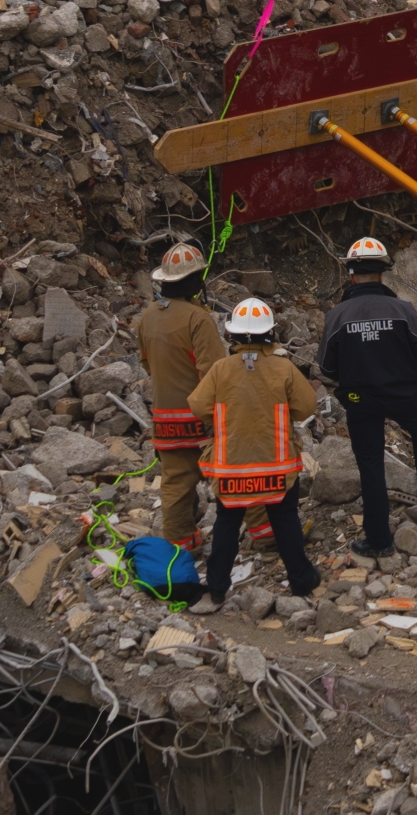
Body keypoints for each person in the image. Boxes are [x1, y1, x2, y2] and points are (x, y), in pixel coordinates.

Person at [316, 237, 417, 558]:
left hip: (359, 400)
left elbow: (326, 366)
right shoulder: (403, 310)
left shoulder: (337, 317)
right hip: (403, 393)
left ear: (351, 275)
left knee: (370, 464)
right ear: (382, 274)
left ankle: (379, 540)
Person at [184, 297, 322, 612]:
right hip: (277, 469)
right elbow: (306, 407)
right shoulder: (283, 367)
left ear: (232, 335)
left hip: (231, 469)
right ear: (270, 333)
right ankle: (301, 580)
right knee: (285, 520)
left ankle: (217, 588)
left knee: (226, 523)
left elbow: (198, 406)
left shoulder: (220, 369)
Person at [136, 243, 270, 551]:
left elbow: (146, 364)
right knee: (235, 474)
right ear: (196, 281)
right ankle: (267, 533)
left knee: (176, 483)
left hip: (165, 422)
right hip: (201, 419)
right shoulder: (198, 320)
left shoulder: (147, 317)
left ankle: (180, 544)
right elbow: (213, 374)